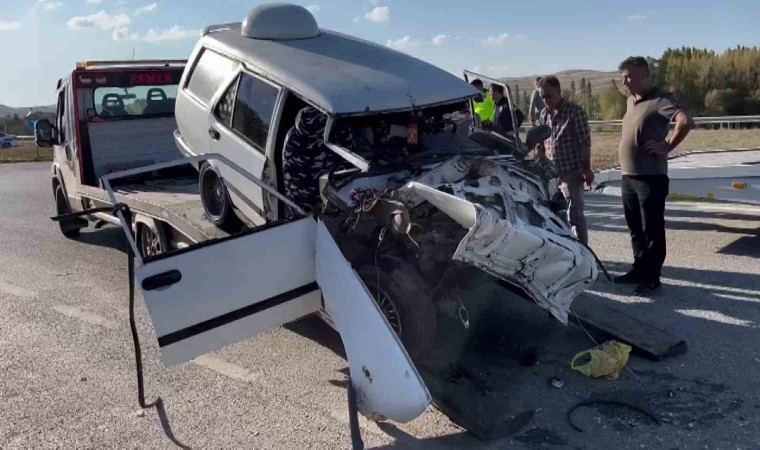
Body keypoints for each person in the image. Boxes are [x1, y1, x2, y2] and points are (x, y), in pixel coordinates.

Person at [613, 56, 693, 295]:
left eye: (629, 76)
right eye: (623, 77)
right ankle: (639, 269)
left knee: (652, 229)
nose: (625, 82)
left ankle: (652, 276)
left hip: (650, 177)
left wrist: (667, 146)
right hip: (628, 176)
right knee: (635, 227)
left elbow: (685, 121)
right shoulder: (630, 101)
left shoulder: (661, 99)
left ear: (645, 75)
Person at [537, 75, 593, 244]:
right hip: (551, 175)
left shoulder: (574, 112)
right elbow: (540, 143)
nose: (546, 100)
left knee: (575, 215)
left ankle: (583, 251)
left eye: (549, 96)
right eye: (542, 97)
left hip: (571, 171)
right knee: (552, 215)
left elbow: (585, 142)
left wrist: (586, 168)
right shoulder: (543, 114)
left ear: (559, 92)